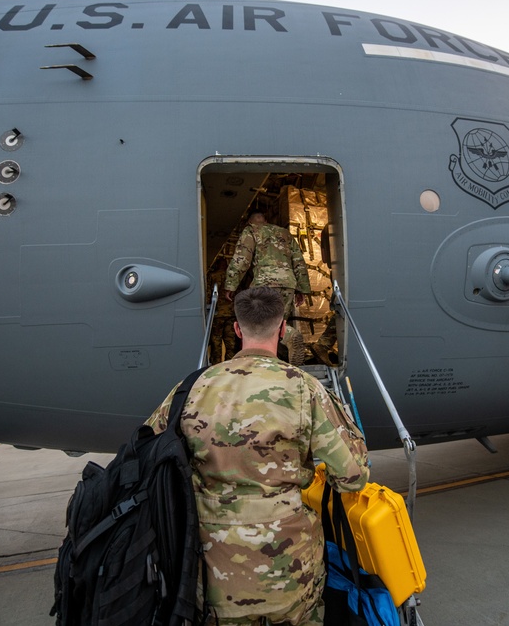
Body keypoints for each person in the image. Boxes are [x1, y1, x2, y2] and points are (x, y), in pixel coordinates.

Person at [146, 287, 370, 626]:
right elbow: (353, 477)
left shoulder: (191, 388)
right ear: (283, 330)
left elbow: (146, 451)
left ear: (237, 329)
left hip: (211, 581)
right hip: (290, 578)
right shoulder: (304, 388)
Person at [224, 212, 312, 364]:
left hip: (265, 283)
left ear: (250, 221)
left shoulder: (251, 230)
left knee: (262, 325)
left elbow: (242, 259)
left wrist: (231, 284)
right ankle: (287, 346)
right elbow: (299, 261)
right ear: (266, 219)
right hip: (288, 283)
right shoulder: (285, 233)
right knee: (279, 323)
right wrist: (302, 289)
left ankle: (274, 354)